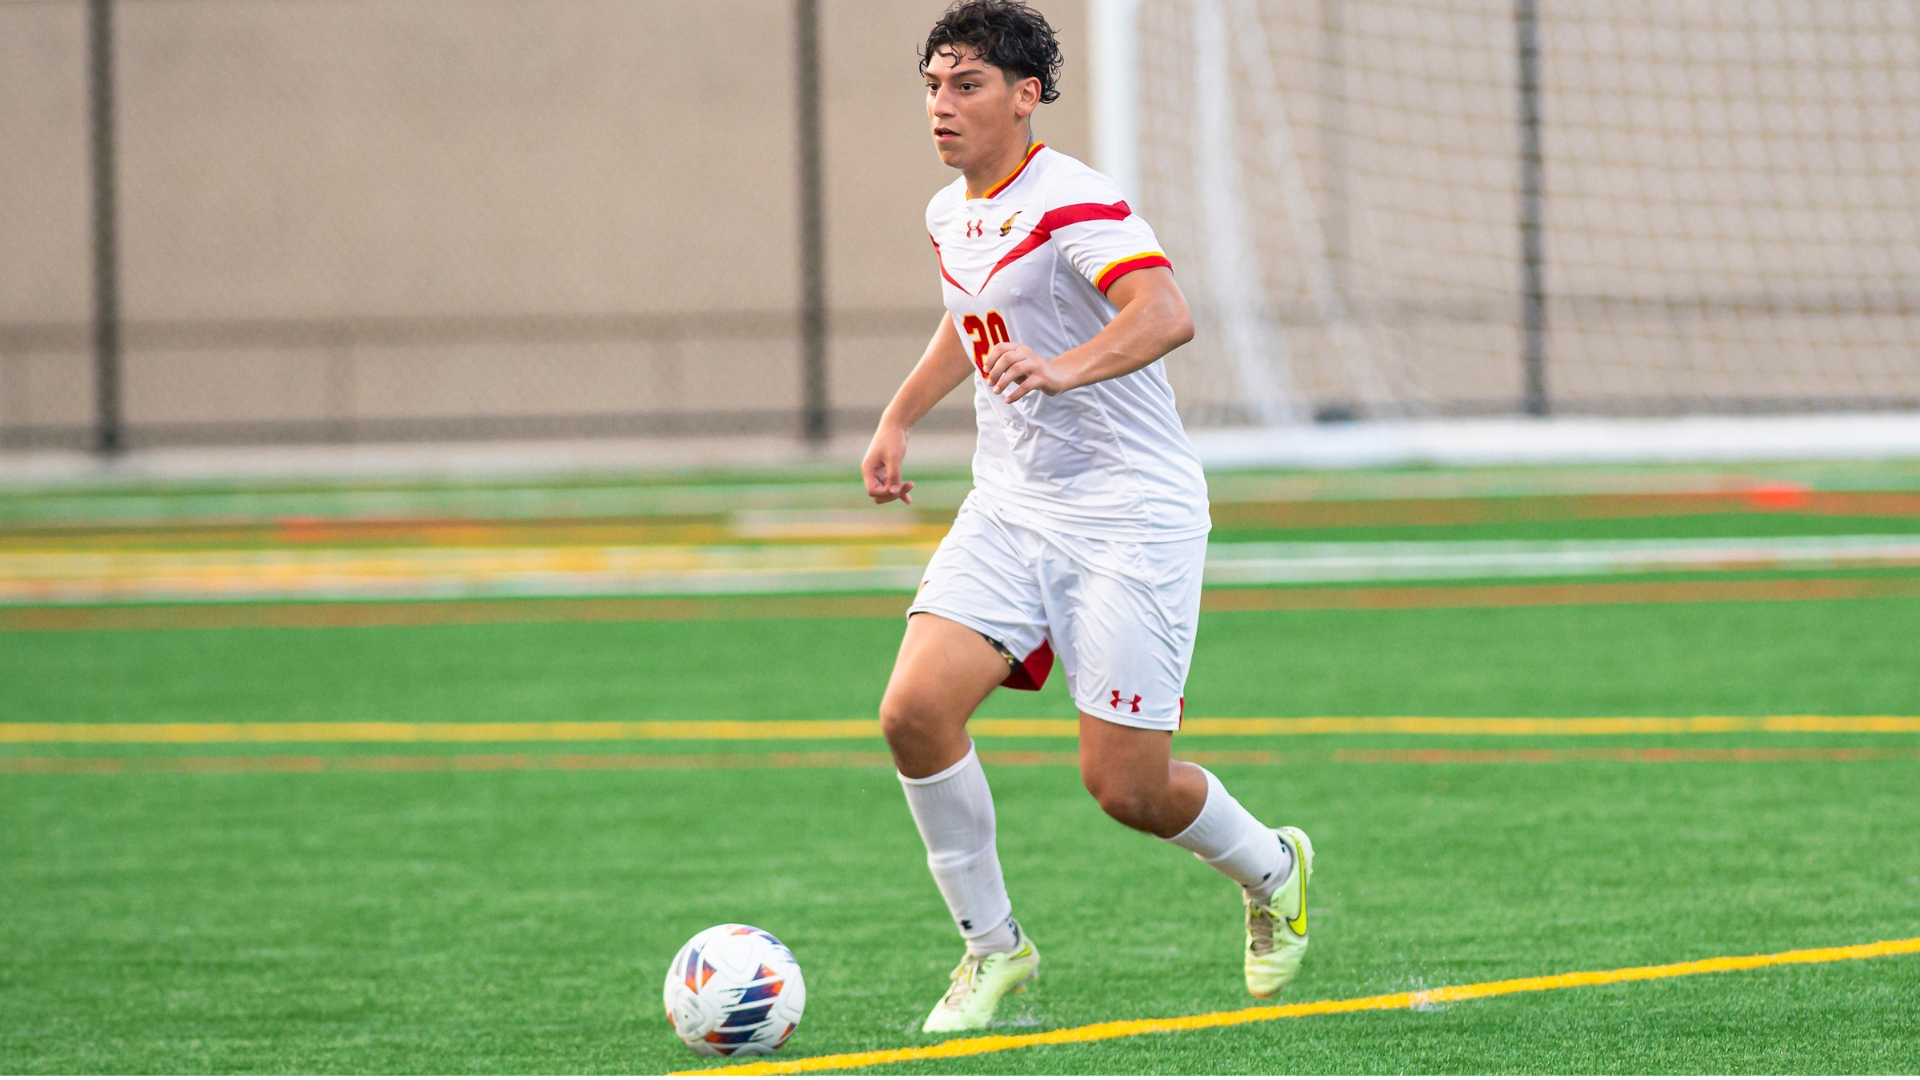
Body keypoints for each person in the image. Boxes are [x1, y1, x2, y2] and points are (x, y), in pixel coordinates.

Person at [861, 0, 1313, 1034]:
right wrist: (898, 417)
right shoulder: (950, 212)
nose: (942, 105)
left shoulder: (1076, 201)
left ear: (1025, 97)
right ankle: (992, 949)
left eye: (966, 85)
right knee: (913, 713)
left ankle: (1274, 866)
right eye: (933, 85)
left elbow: (1164, 312)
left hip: (1128, 520)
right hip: (1011, 508)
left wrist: (1061, 371)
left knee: (1126, 788)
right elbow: (970, 318)